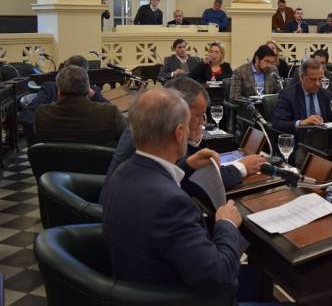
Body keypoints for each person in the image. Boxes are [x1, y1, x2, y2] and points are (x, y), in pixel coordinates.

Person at [101, 89, 256, 300]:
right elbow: (220, 280)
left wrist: (187, 165)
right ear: (180, 133)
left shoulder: (122, 172)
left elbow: (155, 185)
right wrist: (226, 224)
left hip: (138, 279)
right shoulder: (171, 205)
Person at [103, 77, 265, 196]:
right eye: (198, 115)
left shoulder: (154, 124)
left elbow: (188, 168)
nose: (202, 121)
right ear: (179, 109)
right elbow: (200, 181)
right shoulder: (155, 137)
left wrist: (194, 142)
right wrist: (241, 167)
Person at [34, 65, 126, 146]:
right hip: (100, 161)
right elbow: (128, 135)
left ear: (58, 90)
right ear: (88, 89)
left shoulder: (42, 115)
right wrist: (95, 95)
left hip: (55, 161)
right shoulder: (109, 114)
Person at [19, 55, 109, 128]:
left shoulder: (92, 91)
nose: (73, 78)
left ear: (85, 75)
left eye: (77, 75)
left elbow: (110, 113)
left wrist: (93, 94)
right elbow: (27, 115)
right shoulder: (50, 88)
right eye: (70, 74)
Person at [273, 58, 332, 135]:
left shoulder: (326, 94)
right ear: (301, 78)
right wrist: (301, 123)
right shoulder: (288, 95)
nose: (318, 84)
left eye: (320, 79)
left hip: (324, 138)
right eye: (313, 79)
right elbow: (278, 123)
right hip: (300, 139)